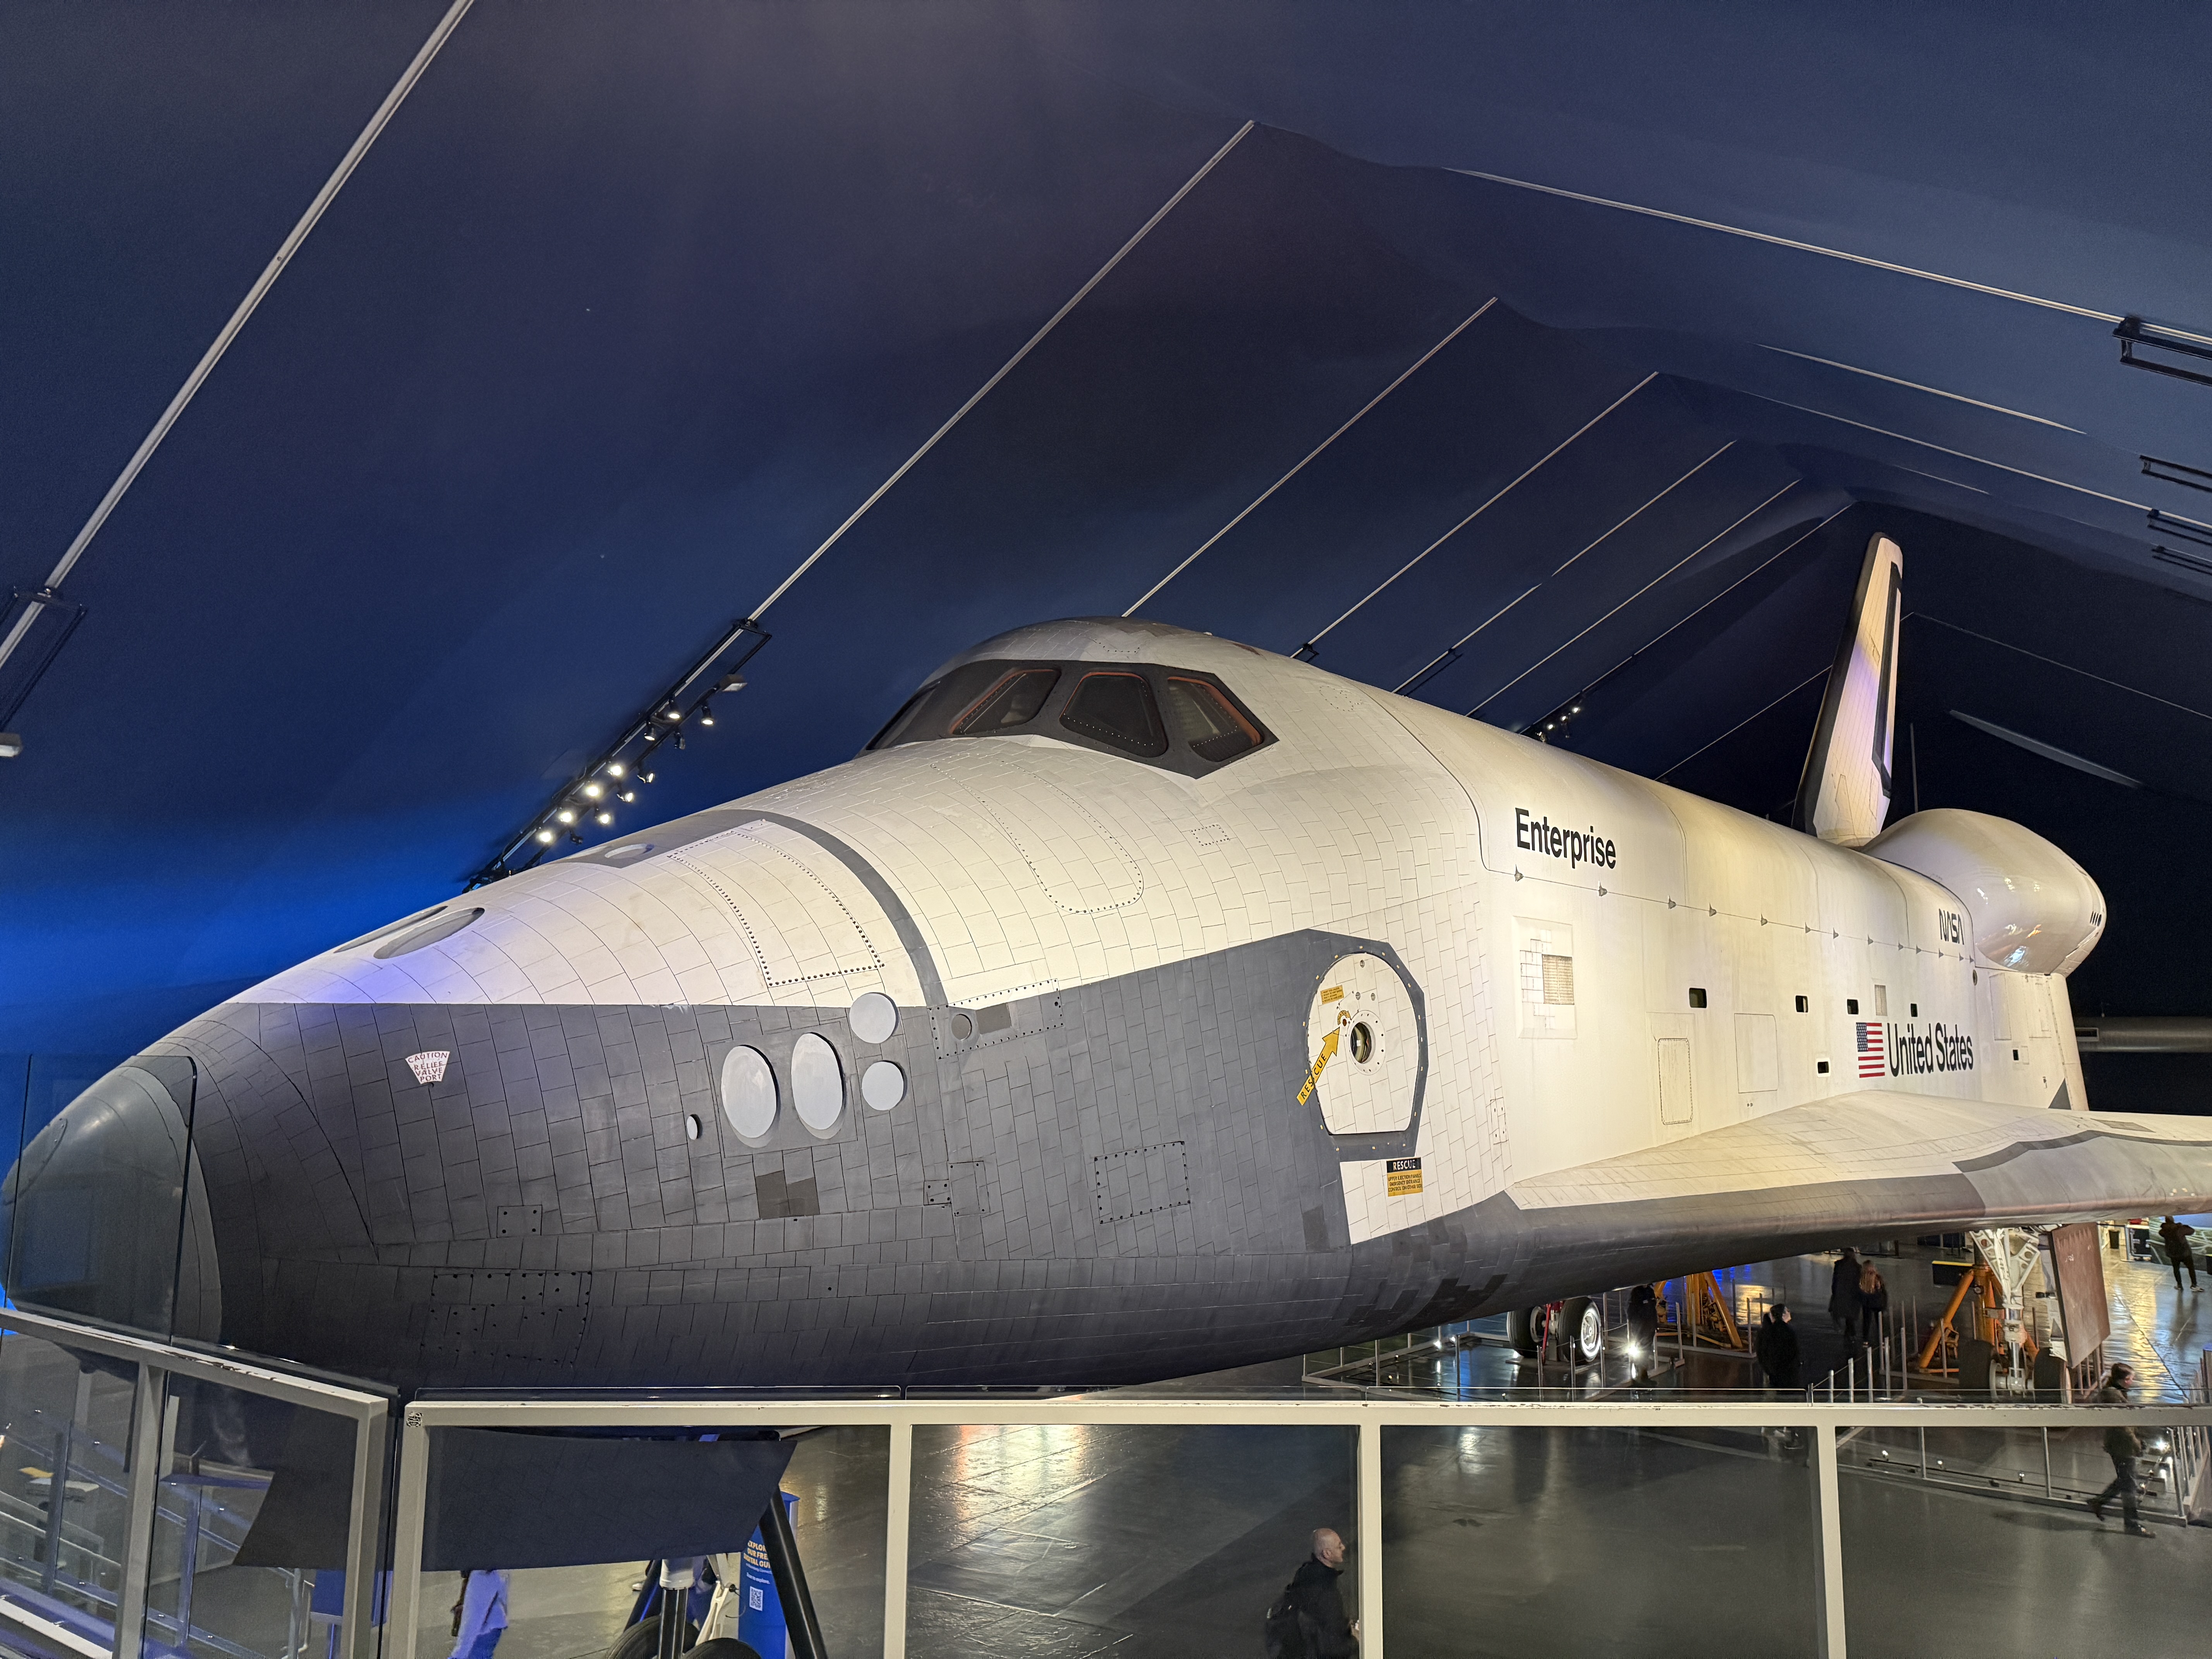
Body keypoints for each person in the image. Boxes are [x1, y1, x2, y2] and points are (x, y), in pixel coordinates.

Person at [1264, 1528, 1358, 1657]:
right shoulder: (1326, 1592)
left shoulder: (1305, 1574)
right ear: (1327, 1554)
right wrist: (1356, 1640)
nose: (1344, 1547)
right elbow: (1333, 1648)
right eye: (1339, 1546)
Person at [2086, 1364, 2152, 1537]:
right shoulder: (2113, 1396)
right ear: (2124, 1380)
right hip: (2122, 1446)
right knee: (2129, 1484)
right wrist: (2137, 1444)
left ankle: (2099, 1502)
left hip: (2120, 1444)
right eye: (2131, 1379)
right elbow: (2123, 1426)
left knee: (2126, 1479)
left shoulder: (2116, 1393)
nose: (2132, 1382)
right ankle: (2132, 1524)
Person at [448, 1570, 510, 1659]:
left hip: (483, 1632)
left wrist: (458, 1655)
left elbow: (474, 1618)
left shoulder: (482, 1576)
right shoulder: (494, 1572)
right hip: (491, 1629)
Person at [1626, 1284, 1659, 1384]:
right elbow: (1633, 1312)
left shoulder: (1649, 1291)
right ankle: (1640, 1377)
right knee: (1641, 1353)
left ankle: (1644, 1377)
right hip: (1641, 1329)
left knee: (1646, 1353)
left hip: (1648, 1328)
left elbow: (1652, 1310)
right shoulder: (1637, 1293)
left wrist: (1655, 1326)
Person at [1855, 1263, 1890, 1357]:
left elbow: (1859, 1291)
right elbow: (1883, 1291)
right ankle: (1882, 1341)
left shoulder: (1863, 1278)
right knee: (1880, 1323)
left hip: (1867, 1303)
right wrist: (1884, 1304)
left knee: (1867, 1322)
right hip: (1877, 1303)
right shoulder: (1878, 1278)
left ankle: (1866, 1340)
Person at [1828, 1248, 1861, 1346]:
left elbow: (1835, 1280)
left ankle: (1849, 1332)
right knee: (1850, 1314)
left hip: (1842, 1292)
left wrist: (1835, 1292)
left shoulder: (1839, 1265)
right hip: (1852, 1293)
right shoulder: (1857, 1267)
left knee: (1845, 1312)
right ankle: (1851, 1333)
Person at [2158, 1216, 2198, 1291]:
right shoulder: (2180, 1228)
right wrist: (2183, 1226)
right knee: (2191, 1268)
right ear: (2173, 1220)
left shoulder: (2163, 1231)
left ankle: (2179, 1285)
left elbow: (2162, 1233)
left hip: (2173, 1254)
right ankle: (2194, 1285)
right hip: (2185, 1253)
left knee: (2176, 1269)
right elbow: (2192, 1231)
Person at [1767, 1305, 1801, 1389]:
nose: (1790, 1312)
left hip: (1778, 1371)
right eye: (1788, 1311)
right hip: (1787, 1372)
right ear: (1783, 1315)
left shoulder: (1773, 1330)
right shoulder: (1786, 1330)